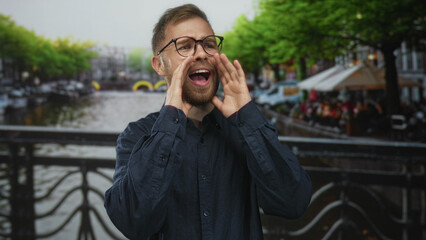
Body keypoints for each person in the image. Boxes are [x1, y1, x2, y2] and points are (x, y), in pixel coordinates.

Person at [104, 4, 312, 240]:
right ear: (159, 65)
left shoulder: (243, 129)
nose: (201, 53)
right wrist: (170, 123)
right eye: (185, 46)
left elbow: (293, 203)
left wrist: (247, 116)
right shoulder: (137, 135)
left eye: (209, 44)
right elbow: (132, 221)